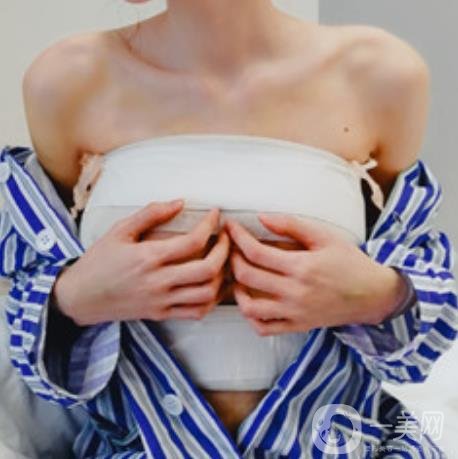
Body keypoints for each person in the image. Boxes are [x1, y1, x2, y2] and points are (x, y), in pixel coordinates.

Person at [0, 1, 457, 457]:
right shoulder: (66, 80)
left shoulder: (380, 74)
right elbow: (29, 321)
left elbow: (420, 324)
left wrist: (380, 294)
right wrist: (75, 297)